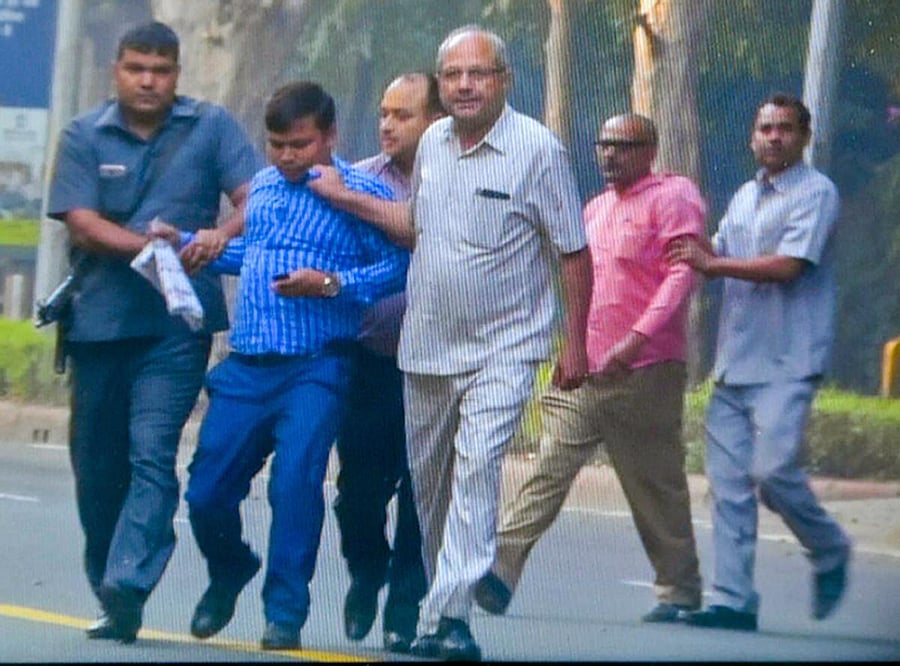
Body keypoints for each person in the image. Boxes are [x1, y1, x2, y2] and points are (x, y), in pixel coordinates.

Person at [45, 21, 260, 644]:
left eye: (161, 70)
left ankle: (130, 580)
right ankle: (111, 589)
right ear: (117, 70)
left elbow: (255, 196)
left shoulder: (210, 126)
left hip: (175, 327)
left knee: (151, 454)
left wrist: (221, 233)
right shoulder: (85, 135)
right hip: (98, 325)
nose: (149, 80)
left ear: (177, 74)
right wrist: (148, 246)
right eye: (137, 68)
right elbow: (82, 224)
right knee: (97, 467)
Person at [182, 81, 409, 651]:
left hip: (317, 367)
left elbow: (397, 268)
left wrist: (331, 285)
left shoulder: (358, 191)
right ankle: (230, 566)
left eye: (300, 144)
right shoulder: (260, 187)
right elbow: (254, 254)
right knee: (206, 492)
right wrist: (194, 243)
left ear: (330, 137)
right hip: (246, 365)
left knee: (296, 484)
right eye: (277, 144)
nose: (286, 156)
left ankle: (284, 613)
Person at [400, 26, 592, 661]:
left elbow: (573, 251)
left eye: (477, 74)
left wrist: (576, 344)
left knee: (478, 470)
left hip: (505, 349)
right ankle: (441, 601)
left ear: (504, 80)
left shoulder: (536, 149)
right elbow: (423, 232)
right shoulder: (430, 142)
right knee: (430, 488)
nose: (464, 86)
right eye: (452, 75)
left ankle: (449, 619)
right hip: (426, 346)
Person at [474, 114, 706, 624]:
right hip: (591, 367)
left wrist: (638, 337)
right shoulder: (596, 209)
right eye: (602, 145)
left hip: (645, 368)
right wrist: (571, 347)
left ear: (649, 149)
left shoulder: (673, 196)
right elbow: (579, 286)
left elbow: (682, 273)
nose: (609, 155)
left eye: (622, 146)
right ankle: (499, 571)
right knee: (549, 465)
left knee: (653, 482)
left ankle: (680, 588)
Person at [668, 93, 852, 631]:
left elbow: (790, 266)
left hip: (788, 361)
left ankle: (829, 548)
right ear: (752, 136)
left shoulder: (816, 193)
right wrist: (680, 246)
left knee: (771, 474)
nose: (774, 137)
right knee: (727, 487)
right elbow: (715, 251)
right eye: (765, 128)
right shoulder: (746, 196)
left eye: (785, 129)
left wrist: (714, 261)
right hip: (734, 362)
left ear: (804, 137)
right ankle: (733, 601)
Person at [312, 73, 443, 654]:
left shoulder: (460, 180)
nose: (388, 124)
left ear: (437, 121)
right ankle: (367, 571)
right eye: (385, 112)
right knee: (358, 494)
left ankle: (405, 607)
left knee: (423, 495)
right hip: (371, 362)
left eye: (404, 114)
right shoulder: (358, 179)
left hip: (440, 367)